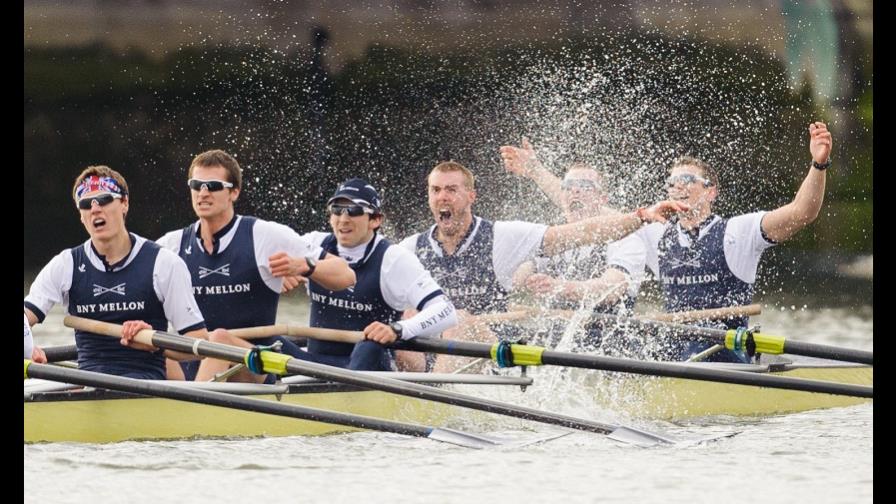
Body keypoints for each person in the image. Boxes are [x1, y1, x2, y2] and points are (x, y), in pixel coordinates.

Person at [397, 161, 684, 371]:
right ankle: (401, 387)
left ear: (471, 196)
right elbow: (524, 273)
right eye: (436, 190)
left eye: (450, 189)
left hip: (601, 343)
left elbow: (610, 287)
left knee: (457, 321)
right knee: (400, 316)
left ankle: (427, 401)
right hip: (547, 339)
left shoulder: (503, 236)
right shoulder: (410, 248)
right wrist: (522, 276)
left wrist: (642, 215)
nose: (442, 197)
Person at [635, 121, 834, 361]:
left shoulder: (737, 231)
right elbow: (604, 226)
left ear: (711, 192)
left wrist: (818, 165)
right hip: (674, 349)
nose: (678, 186)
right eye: (672, 182)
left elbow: (802, 212)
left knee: (696, 351)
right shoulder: (654, 234)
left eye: (687, 179)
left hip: (725, 351)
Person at [156, 149, 356, 382]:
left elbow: (346, 274)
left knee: (219, 339)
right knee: (149, 343)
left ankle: (190, 410)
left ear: (234, 192)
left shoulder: (263, 236)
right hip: (193, 363)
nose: (203, 193)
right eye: (196, 185)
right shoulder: (172, 244)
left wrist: (304, 266)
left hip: (258, 366)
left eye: (212, 186)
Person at [24, 166, 207, 379]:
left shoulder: (164, 263)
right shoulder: (66, 264)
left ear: (124, 204)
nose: (95, 209)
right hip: (88, 385)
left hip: (147, 388)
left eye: (104, 199)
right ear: (81, 216)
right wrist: (28, 349)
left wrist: (154, 344)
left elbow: (198, 341)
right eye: (86, 204)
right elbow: (26, 316)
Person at [297, 178, 457, 371]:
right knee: (269, 343)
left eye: (355, 211)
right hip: (317, 362)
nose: (343, 219)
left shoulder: (393, 259)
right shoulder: (311, 244)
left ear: (375, 220)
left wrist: (398, 329)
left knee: (368, 347)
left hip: (370, 366)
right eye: (337, 209)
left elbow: (446, 311)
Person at [500, 148, 646, 350]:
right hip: (557, 340)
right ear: (562, 198)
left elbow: (611, 289)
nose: (575, 191)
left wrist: (559, 287)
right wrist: (511, 281)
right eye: (568, 186)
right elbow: (517, 274)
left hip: (607, 343)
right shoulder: (553, 238)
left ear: (602, 199)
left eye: (585, 186)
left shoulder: (626, 239)